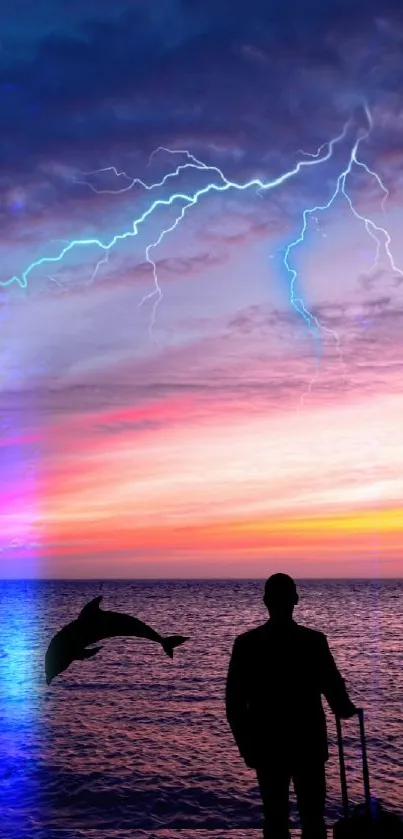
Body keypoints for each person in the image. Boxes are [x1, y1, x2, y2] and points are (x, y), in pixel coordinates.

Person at [225, 573, 358, 839]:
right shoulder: (314, 642)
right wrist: (347, 708)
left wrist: (246, 747)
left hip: (267, 745)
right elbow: (336, 695)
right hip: (307, 744)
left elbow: (235, 704)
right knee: (313, 817)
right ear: (295, 600)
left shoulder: (247, 644)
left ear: (265, 602)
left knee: (275, 818)